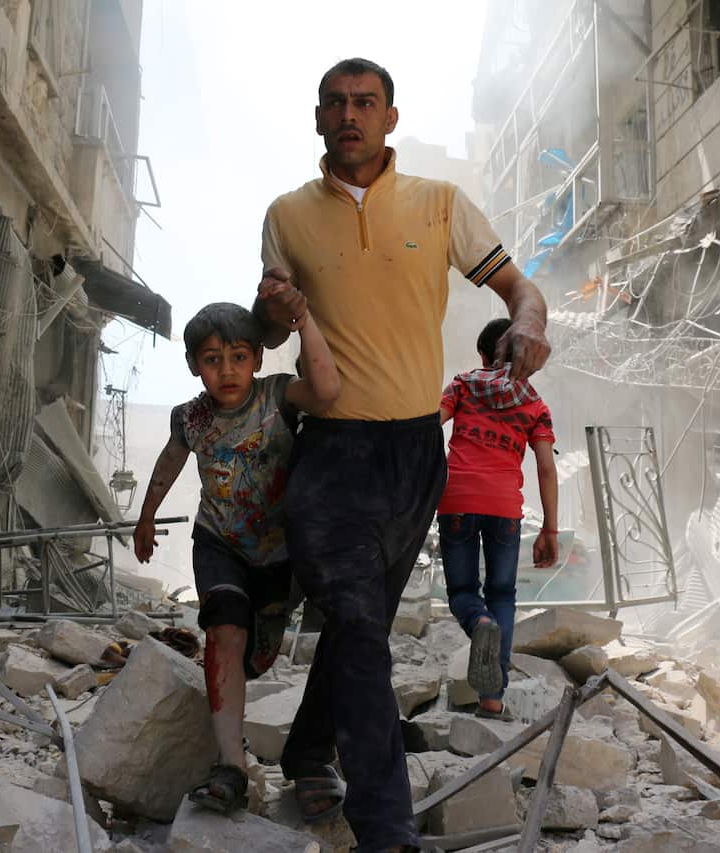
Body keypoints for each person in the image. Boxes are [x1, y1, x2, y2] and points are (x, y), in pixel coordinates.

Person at [252, 57, 551, 852]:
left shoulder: (440, 203)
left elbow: (520, 290)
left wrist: (528, 323)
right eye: (335, 103)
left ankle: (307, 749)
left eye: (365, 102)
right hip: (331, 454)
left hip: (417, 454)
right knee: (358, 626)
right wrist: (272, 307)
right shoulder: (287, 215)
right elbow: (272, 328)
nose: (349, 114)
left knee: (363, 630)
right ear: (318, 118)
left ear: (390, 117)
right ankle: (386, 828)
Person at [133, 301, 340, 813]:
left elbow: (325, 390)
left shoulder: (279, 397)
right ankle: (230, 766)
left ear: (257, 359)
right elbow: (170, 461)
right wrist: (146, 516)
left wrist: (303, 321)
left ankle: (251, 675)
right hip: (218, 541)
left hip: (279, 553)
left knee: (257, 655)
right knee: (224, 631)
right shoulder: (191, 417)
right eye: (212, 359)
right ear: (193, 365)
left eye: (239, 357)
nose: (226, 371)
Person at [438, 318, 559, 720]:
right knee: (502, 594)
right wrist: (550, 529)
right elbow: (546, 469)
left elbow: (426, 426)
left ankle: (479, 623)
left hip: (456, 500)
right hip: (505, 508)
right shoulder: (536, 406)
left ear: (483, 355)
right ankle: (492, 698)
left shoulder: (463, 385)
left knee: (462, 592)